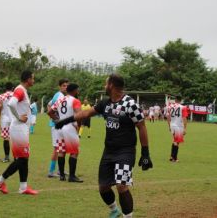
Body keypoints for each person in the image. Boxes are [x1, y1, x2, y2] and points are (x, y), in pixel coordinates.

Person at [55, 74, 153, 218]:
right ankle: (114, 210)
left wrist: (145, 154)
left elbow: (142, 127)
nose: (104, 86)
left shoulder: (130, 104)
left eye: (106, 83)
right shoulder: (105, 103)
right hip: (108, 151)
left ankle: (128, 216)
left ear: (111, 85)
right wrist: (65, 120)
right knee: (103, 187)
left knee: (121, 185)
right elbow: (87, 112)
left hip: (125, 152)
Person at [0, 70, 38, 195]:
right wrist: (19, 117)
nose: (33, 81)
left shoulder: (22, 90)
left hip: (21, 128)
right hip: (19, 128)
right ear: (28, 79)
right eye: (33, 78)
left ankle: (23, 187)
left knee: (24, 158)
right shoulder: (20, 90)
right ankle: (0, 180)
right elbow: (12, 104)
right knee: (22, 159)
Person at [48, 83, 83, 182]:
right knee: (74, 152)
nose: (78, 92)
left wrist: (57, 119)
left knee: (61, 151)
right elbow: (79, 115)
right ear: (74, 90)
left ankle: (62, 175)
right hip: (70, 127)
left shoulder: (60, 99)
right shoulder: (75, 100)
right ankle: (72, 176)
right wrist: (78, 125)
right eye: (77, 90)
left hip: (59, 127)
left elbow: (50, 112)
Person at [47, 78, 69, 178]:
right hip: (56, 126)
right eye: (63, 85)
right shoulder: (60, 95)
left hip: (58, 125)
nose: (65, 87)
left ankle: (60, 170)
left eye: (66, 85)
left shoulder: (58, 95)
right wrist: (55, 119)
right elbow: (51, 109)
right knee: (57, 148)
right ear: (60, 86)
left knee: (61, 147)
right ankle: (51, 171)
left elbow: (49, 105)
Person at [167, 95, 188, 162]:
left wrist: (169, 126)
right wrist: (185, 128)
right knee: (177, 141)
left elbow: (168, 117)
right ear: (181, 100)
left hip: (172, 125)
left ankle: (171, 156)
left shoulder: (170, 107)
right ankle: (174, 158)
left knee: (175, 140)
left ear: (175, 100)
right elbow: (184, 118)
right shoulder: (183, 107)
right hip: (178, 126)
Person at [0, 82, 14, 163]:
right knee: (16, 138)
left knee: (6, 138)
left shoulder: (1, 96)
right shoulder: (16, 95)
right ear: (12, 88)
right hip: (15, 119)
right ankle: (17, 157)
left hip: (5, 119)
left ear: (5, 88)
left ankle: (6, 157)